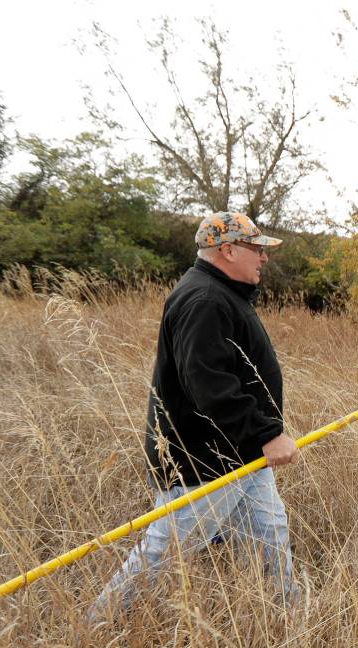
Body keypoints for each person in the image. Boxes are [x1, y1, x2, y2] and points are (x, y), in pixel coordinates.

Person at [91, 211, 300, 619]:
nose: (264, 258)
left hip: (242, 453)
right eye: (256, 249)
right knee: (164, 551)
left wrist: (258, 437)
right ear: (227, 250)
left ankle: (287, 620)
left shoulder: (223, 295)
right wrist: (265, 432)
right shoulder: (204, 300)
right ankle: (98, 626)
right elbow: (209, 385)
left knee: (269, 534)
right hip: (205, 459)